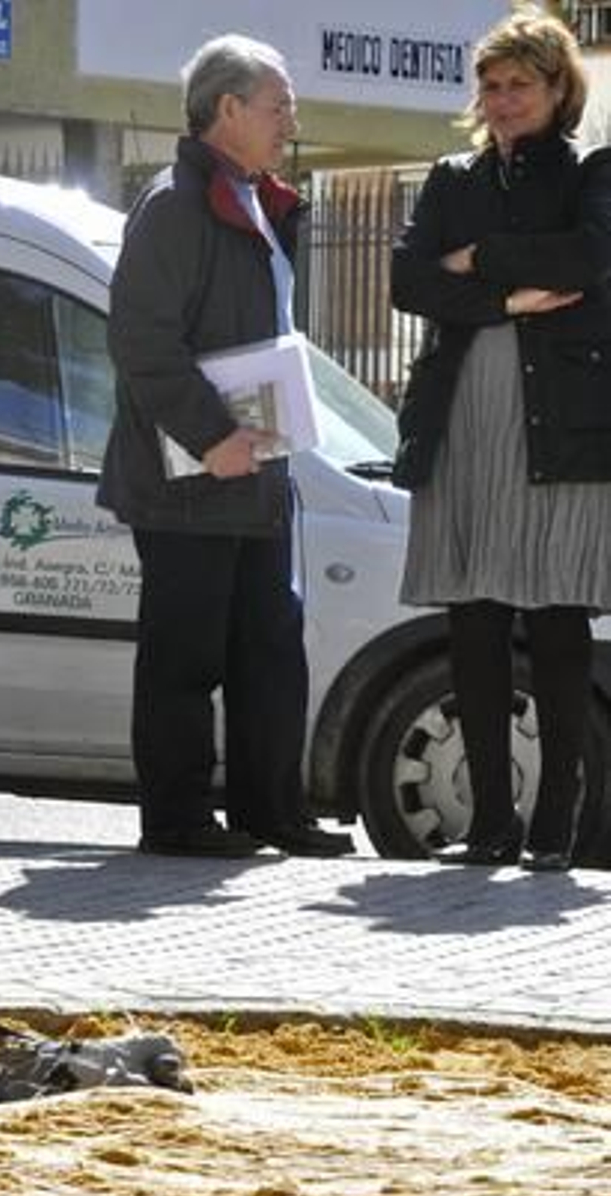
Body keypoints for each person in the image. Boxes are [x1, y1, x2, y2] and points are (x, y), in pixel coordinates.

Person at [97, 34, 353, 861]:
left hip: (256, 472)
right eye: (278, 105)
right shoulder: (174, 206)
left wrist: (253, 444)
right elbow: (141, 343)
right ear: (228, 109)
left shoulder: (256, 200)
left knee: (268, 648)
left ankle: (272, 812)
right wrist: (212, 438)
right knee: (185, 654)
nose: (291, 121)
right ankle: (174, 820)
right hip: (190, 478)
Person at [390, 8, 611, 873]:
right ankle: (490, 826)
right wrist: (511, 300)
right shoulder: (451, 178)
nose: (503, 99)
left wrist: (474, 263)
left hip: (559, 432)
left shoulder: (595, 169)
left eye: (520, 84)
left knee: (557, 628)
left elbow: (590, 258)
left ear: (558, 89)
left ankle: (554, 826)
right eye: (490, 84)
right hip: (463, 424)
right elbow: (408, 278)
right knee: (473, 624)